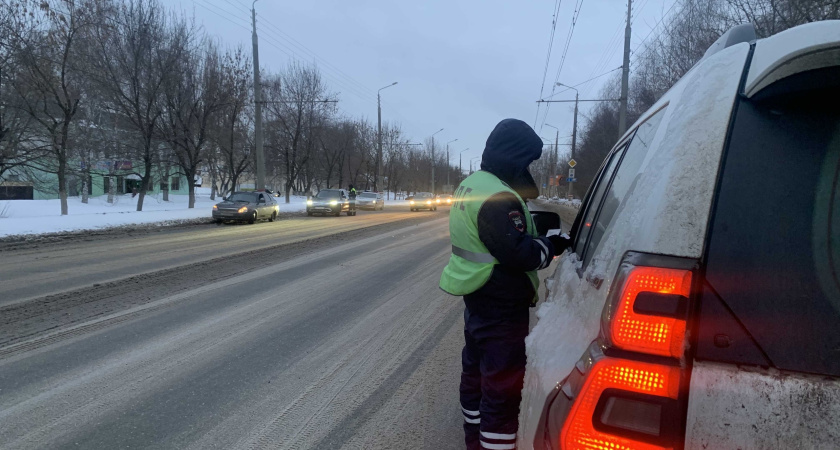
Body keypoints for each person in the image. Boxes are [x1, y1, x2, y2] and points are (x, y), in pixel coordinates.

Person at [439, 118, 571, 450]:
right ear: (514, 157)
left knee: (476, 372)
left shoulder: (473, 184)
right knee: (501, 390)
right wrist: (550, 246)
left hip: (478, 298)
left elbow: (494, 238)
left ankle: (473, 435)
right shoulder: (498, 196)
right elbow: (519, 253)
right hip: (501, 305)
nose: (528, 168)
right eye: (526, 160)